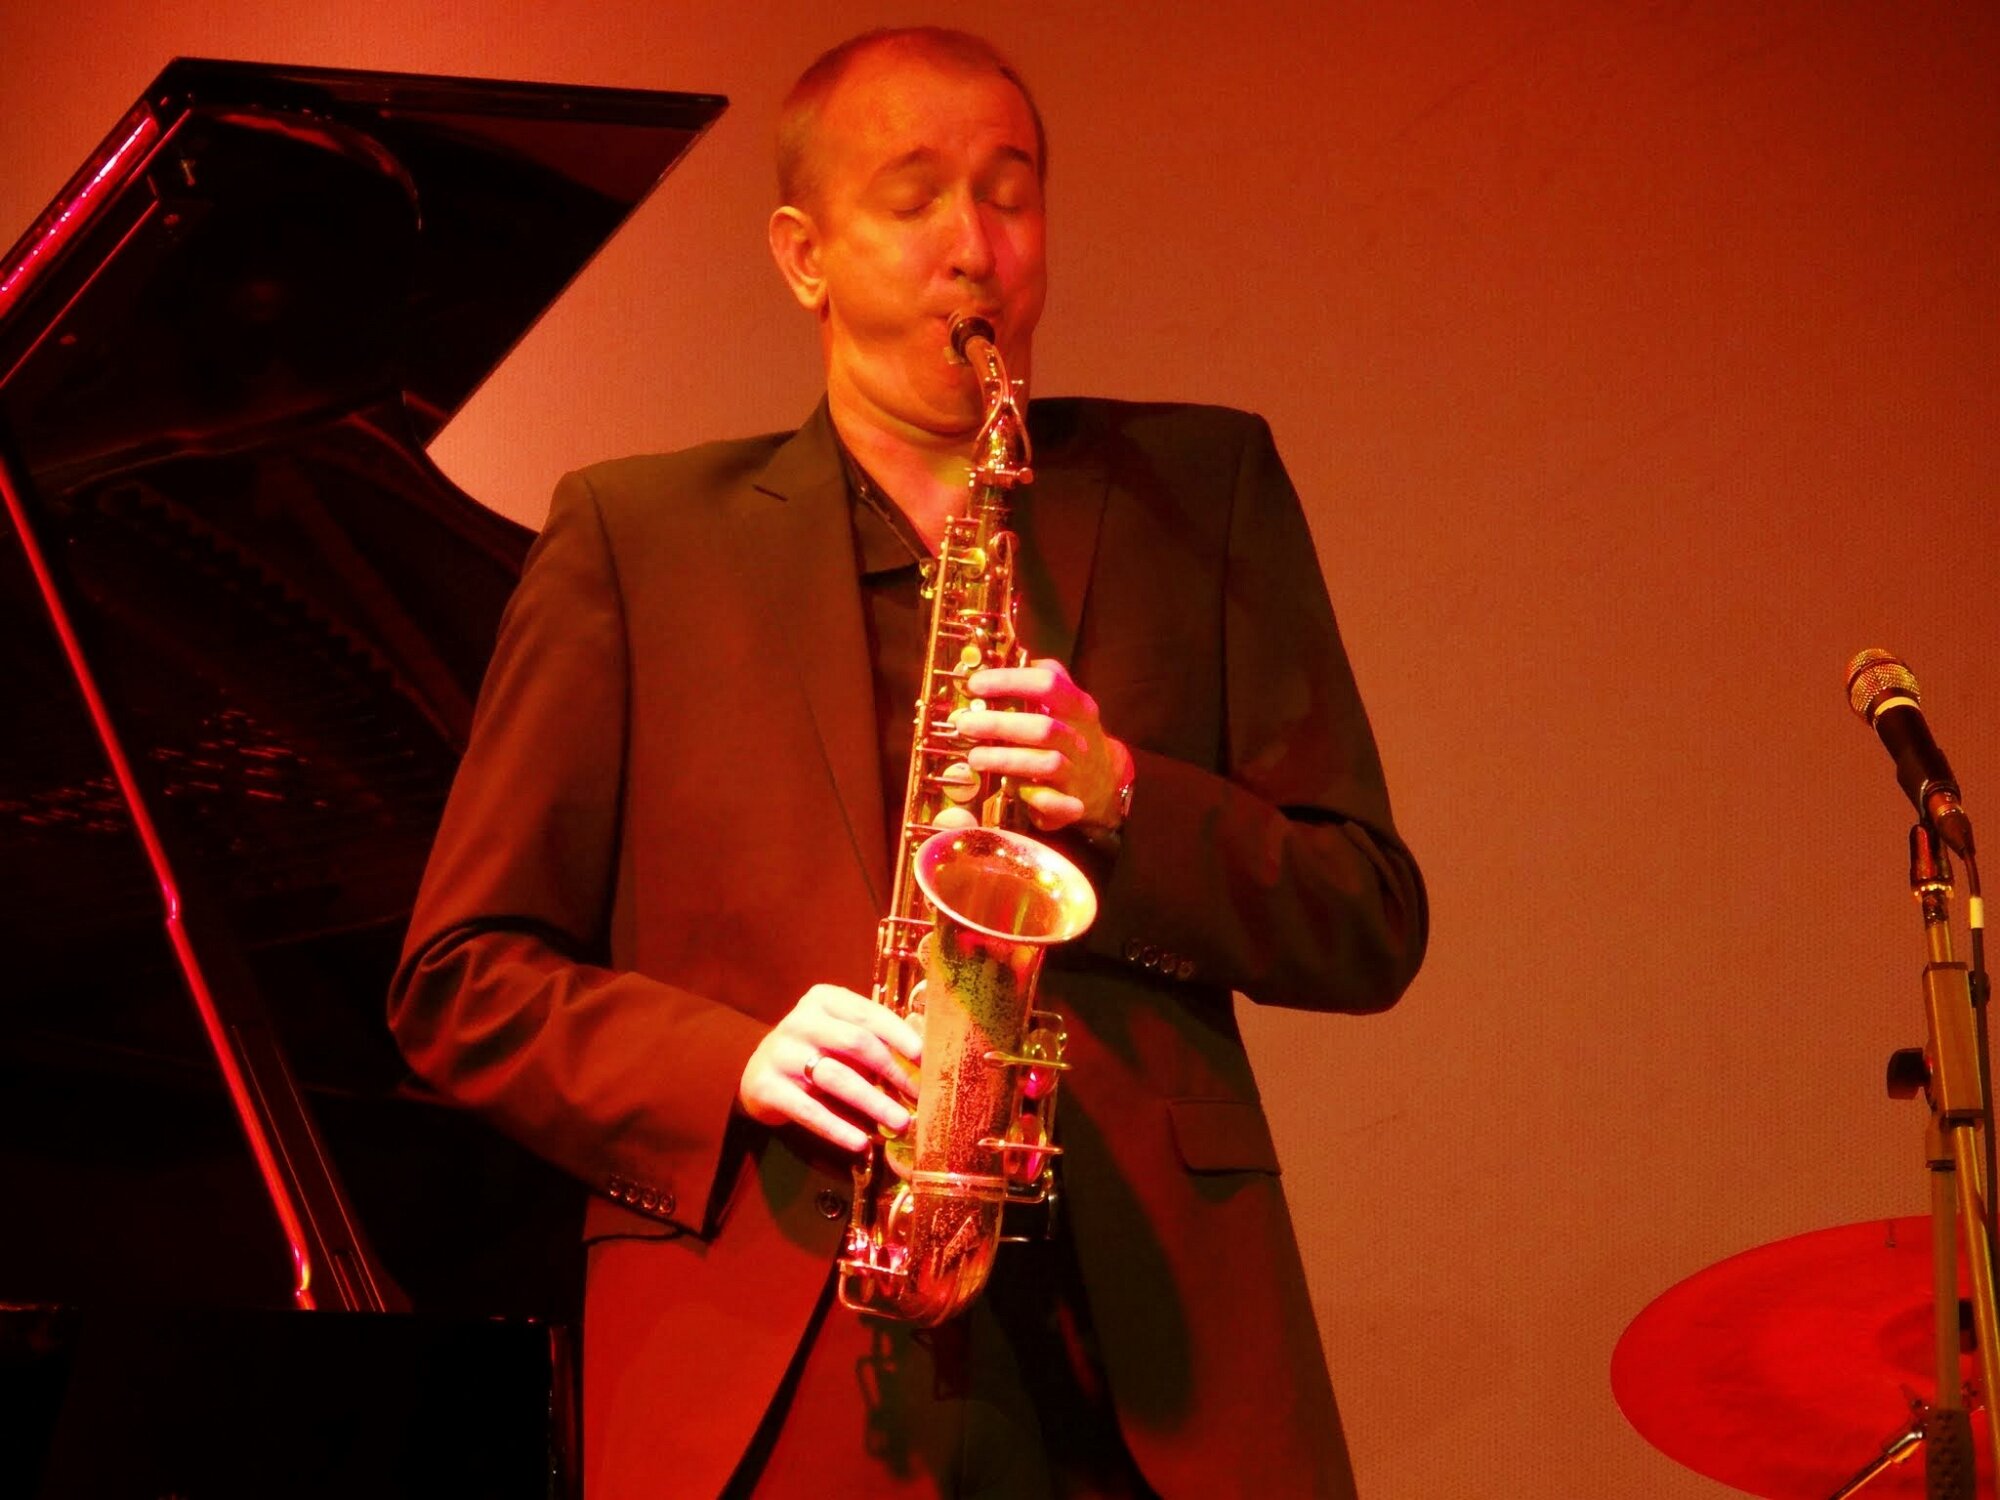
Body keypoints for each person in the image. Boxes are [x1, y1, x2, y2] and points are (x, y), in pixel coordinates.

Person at [390, 26, 1426, 1500]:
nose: (976, 246)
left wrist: (1125, 798)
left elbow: (1366, 913)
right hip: (778, 1348)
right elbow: (462, 977)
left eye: (1012, 191)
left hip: (1157, 1356)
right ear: (803, 255)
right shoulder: (637, 539)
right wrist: (734, 1058)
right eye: (916, 196)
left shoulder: (1202, 488)